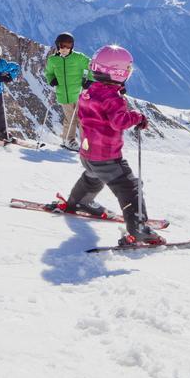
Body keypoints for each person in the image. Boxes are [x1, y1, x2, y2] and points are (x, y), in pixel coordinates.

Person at [57, 44, 163, 246]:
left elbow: (89, 115)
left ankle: (78, 201)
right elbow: (119, 121)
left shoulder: (87, 92)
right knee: (129, 187)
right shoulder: (113, 98)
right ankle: (138, 230)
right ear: (119, 73)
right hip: (107, 156)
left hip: (88, 153)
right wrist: (137, 117)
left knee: (92, 176)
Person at [43, 32, 94, 151]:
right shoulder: (53, 60)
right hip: (63, 95)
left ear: (72, 46)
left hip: (78, 93)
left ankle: (86, 142)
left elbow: (92, 66)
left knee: (83, 117)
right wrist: (52, 80)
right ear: (58, 45)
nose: (65, 48)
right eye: (62, 45)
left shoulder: (79, 57)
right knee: (70, 118)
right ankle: (68, 140)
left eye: (68, 45)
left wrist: (90, 80)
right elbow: (48, 73)